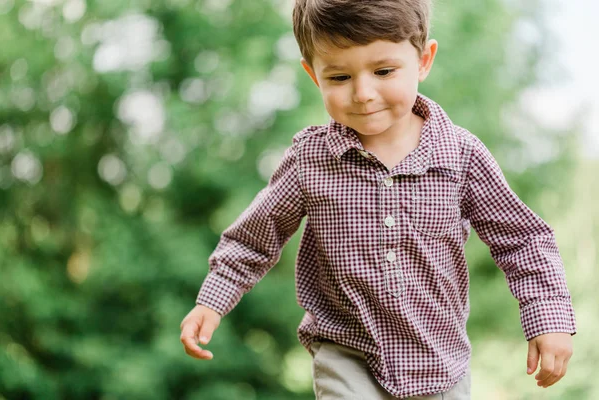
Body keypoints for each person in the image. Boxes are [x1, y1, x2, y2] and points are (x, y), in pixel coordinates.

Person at [180, 0, 576, 398]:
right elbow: (254, 237)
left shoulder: (460, 155)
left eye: (383, 71)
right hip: (347, 355)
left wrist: (548, 318)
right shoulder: (310, 160)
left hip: (440, 361)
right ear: (313, 75)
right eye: (339, 77)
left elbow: (522, 240)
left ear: (423, 60)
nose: (363, 94)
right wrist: (212, 302)